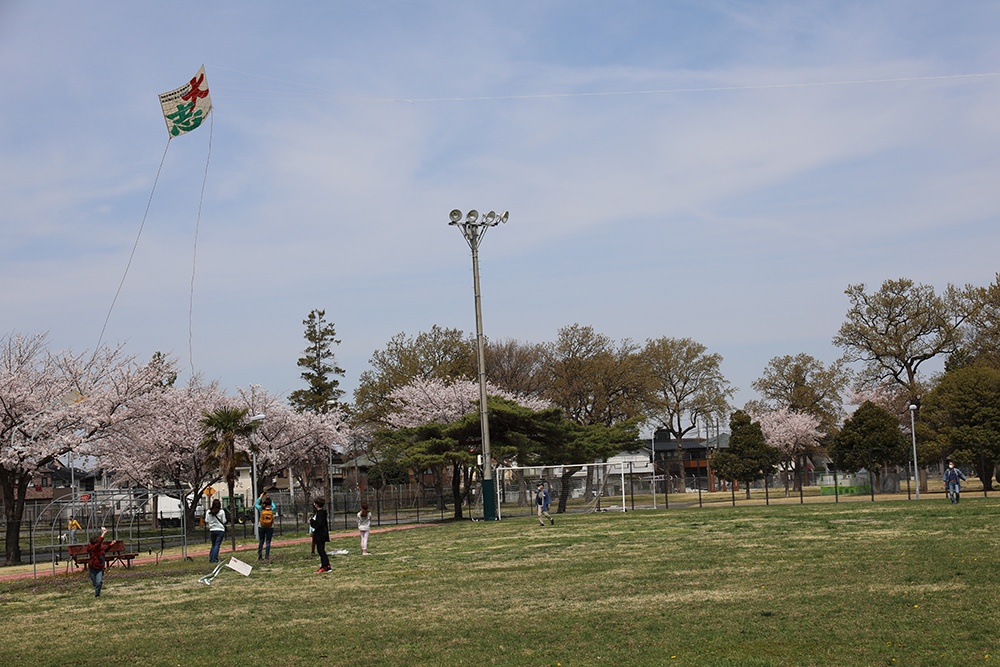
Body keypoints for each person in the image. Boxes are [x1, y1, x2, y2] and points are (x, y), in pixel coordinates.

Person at [85, 527, 111, 597]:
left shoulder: (100, 549)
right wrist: (103, 533)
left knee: (99, 582)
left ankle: (97, 594)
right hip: (92, 568)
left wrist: (111, 544)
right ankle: (96, 587)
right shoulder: (91, 548)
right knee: (95, 583)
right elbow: (98, 544)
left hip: (99, 568)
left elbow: (105, 549)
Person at [310, 497, 331, 573]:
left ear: (317, 505)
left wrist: (312, 521)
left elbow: (318, 525)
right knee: (321, 550)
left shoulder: (320, 513)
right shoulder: (323, 512)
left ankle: (325, 566)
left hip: (320, 534)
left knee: (321, 551)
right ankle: (327, 565)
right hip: (323, 534)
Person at [255, 492, 277, 561]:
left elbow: (256, 504)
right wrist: (270, 500)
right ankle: (267, 557)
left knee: (261, 541)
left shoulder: (261, 509)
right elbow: (274, 506)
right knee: (268, 541)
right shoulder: (272, 509)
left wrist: (260, 497)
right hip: (270, 527)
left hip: (261, 526)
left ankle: (260, 557)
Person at [205, 498, 226, 563]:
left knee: (213, 544)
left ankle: (211, 558)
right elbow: (224, 521)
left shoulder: (208, 512)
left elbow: (206, 520)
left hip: (212, 530)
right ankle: (215, 559)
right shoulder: (221, 512)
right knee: (217, 545)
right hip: (220, 529)